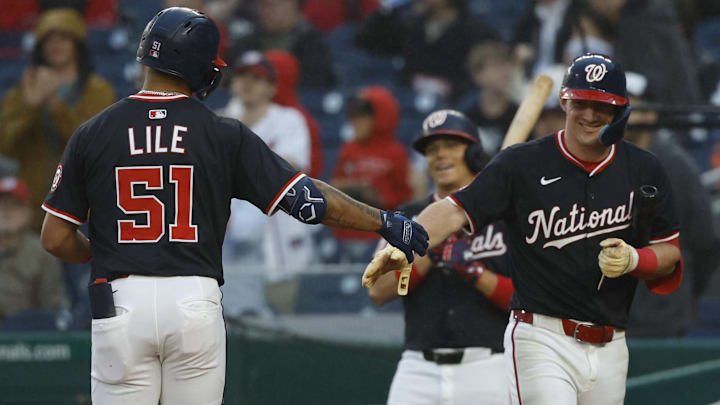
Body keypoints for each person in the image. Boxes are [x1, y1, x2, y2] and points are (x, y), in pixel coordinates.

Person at [38, 7, 428, 405]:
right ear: (197, 66)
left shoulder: (92, 132)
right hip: (193, 297)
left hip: (119, 300)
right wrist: (382, 220)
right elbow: (307, 202)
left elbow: (54, 238)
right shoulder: (222, 132)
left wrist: (101, 252)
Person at [363, 53, 683, 405]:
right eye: (581, 103)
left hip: (611, 340)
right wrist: (401, 246)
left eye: (601, 106)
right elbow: (454, 210)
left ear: (621, 110)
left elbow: (669, 252)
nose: (590, 115)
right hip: (541, 335)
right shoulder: (521, 163)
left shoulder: (644, 169)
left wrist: (634, 260)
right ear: (564, 100)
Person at [368, 110, 514, 404]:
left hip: (490, 366)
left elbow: (526, 299)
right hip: (418, 369)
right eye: (432, 149)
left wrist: (474, 272)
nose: (440, 155)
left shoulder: (505, 214)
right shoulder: (407, 217)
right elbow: (378, 291)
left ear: (473, 152)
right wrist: (431, 250)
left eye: (451, 145)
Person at [0, 8, 116, 231]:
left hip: (84, 209)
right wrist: (28, 106)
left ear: (77, 44)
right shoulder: (23, 91)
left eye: (64, 37)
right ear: (40, 46)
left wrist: (53, 103)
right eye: (49, 39)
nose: (56, 45)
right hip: (33, 210)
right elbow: (6, 145)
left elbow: (94, 143)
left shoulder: (98, 90)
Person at [623, 83, 720, 337]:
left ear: (651, 113)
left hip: (663, 319)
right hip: (611, 317)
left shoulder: (676, 166)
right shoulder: (603, 161)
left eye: (633, 103)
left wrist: (678, 292)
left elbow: (705, 243)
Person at [222, 51, 314, 313]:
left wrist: (238, 162)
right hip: (229, 241)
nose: (248, 83)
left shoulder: (288, 120)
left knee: (284, 326)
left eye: (257, 77)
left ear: (272, 87)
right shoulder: (218, 120)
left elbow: (293, 168)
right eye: (242, 75)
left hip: (277, 238)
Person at [355, 0, 499, 101]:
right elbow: (365, 40)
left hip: (453, 104)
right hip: (411, 104)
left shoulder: (474, 30)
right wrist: (388, 9)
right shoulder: (411, 27)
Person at [331, 86, 412, 260]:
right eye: (354, 116)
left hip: (380, 235)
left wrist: (376, 197)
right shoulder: (349, 149)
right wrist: (353, 188)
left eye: (363, 116)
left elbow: (404, 198)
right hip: (346, 233)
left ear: (381, 116)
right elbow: (334, 185)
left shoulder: (396, 152)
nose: (356, 121)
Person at [0, 176, 65, 326]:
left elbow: (52, 310)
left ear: (28, 212)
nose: (6, 212)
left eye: (14, 206)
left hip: (24, 341)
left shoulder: (43, 252)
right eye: (1, 205)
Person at [228, 0, 336, 88]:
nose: (265, 11)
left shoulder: (313, 43)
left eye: (271, 5)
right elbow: (229, 79)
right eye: (261, 5)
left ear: (293, 4)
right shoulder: (245, 43)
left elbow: (314, 84)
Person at [462, 42, 520, 154]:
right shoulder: (467, 117)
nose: (504, 71)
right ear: (477, 76)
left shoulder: (519, 114)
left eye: (507, 64)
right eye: (495, 67)